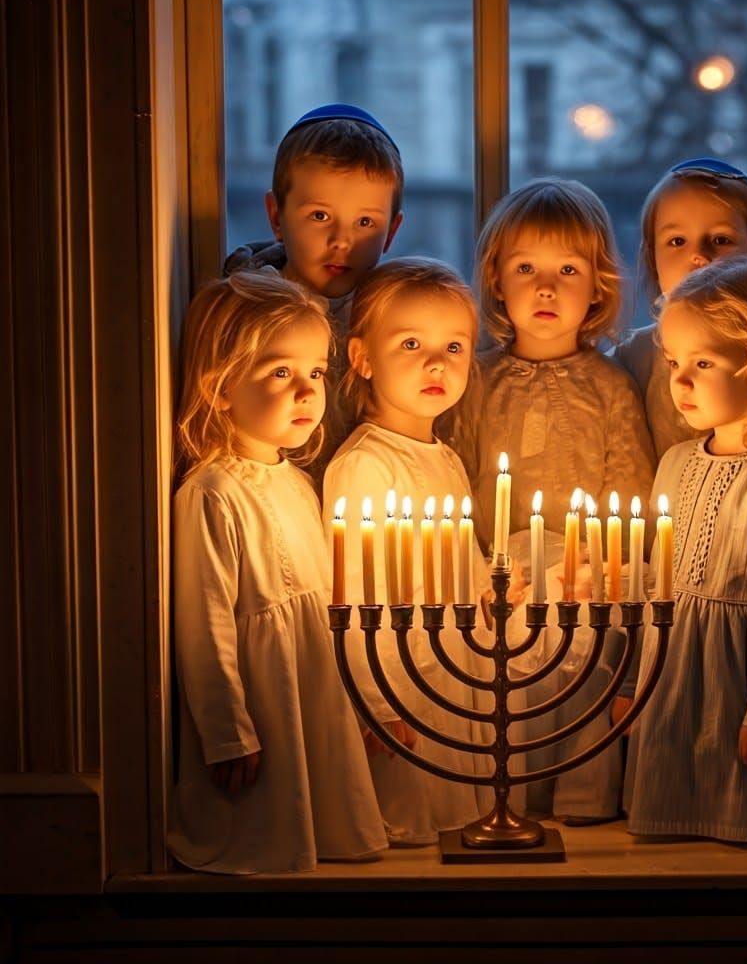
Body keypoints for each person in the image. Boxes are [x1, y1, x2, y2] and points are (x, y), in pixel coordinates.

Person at [448, 178, 657, 825]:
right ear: (496, 281)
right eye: (526, 268)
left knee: (584, 685)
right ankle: (517, 806)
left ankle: (586, 807)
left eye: (567, 268)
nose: (545, 287)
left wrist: (602, 567)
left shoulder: (612, 385)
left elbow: (630, 488)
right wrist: (482, 569)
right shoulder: (477, 380)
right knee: (511, 693)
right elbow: (459, 482)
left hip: (585, 578)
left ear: (597, 284)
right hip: (501, 580)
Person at [169, 271, 387, 874]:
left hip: (311, 678)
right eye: (280, 372)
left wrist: (360, 704)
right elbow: (204, 626)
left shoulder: (298, 483)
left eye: (316, 372)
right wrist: (226, 732)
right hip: (262, 700)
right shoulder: (211, 493)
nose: (307, 392)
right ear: (219, 388)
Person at [626, 255, 747, 842]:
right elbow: (652, 587)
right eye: (672, 363)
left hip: (740, 685)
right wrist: (626, 687)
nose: (679, 382)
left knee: (733, 822)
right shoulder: (675, 463)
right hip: (670, 674)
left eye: (703, 363)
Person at [321, 256, 501, 846]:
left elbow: (461, 559)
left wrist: (493, 588)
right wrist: (376, 700)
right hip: (402, 678)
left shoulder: (444, 455)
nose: (436, 362)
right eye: (411, 343)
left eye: (454, 347)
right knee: (413, 823)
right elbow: (354, 600)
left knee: (457, 815)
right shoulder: (364, 466)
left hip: (455, 664)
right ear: (362, 357)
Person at [225, 103, 406, 477]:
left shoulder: (395, 321)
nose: (341, 240)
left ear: (391, 232)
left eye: (365, 222)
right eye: (320, 216)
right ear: (277, 216)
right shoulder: (244, 315)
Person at [612, 157, 747, 459]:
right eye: (677, 241)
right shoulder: (635, 356)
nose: (699, 255)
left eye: (721, 239)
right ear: (653, 261)